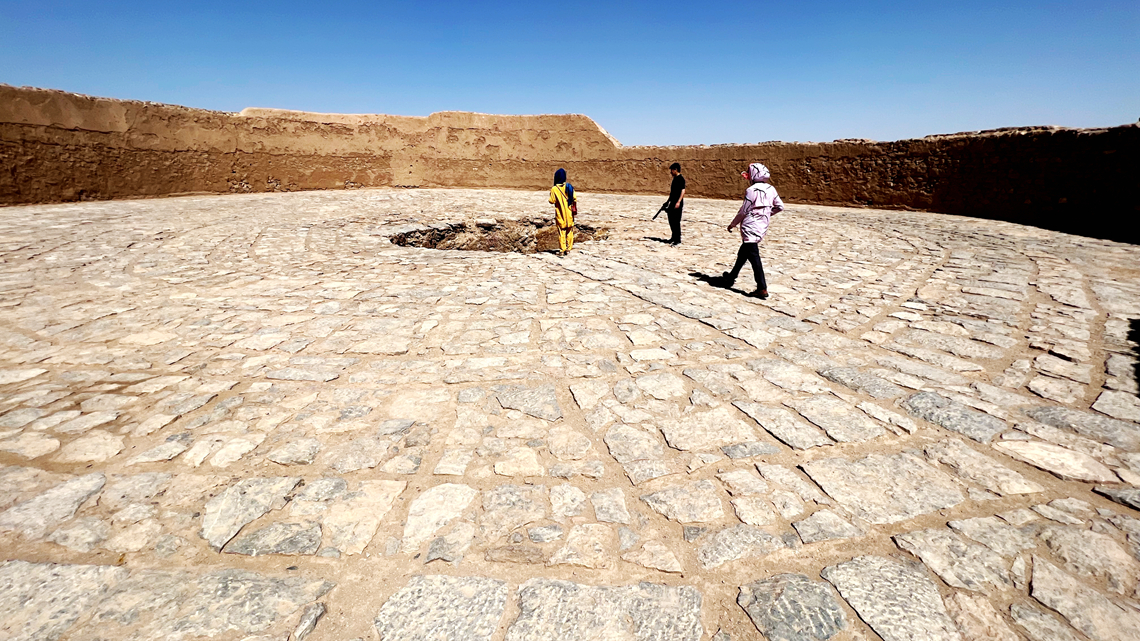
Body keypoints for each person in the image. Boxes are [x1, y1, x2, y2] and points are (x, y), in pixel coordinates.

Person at [720, 162, 783, 299]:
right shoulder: (771, 189)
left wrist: (733, 224)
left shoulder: (751, 190)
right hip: (762, 225)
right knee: (744, 252)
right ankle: (732, 276)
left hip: (750, 226)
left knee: (754, 256)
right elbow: (780, 206)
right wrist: (766, 214)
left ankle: (762, 287)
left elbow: (744, 210)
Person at [549, 168, 577, 255]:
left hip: (560, 215)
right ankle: (569, 248)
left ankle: (562, 249)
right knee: (570, 231)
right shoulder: (569, 187)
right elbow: (574, 198)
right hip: (569, 214)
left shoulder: (554, 189)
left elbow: (552, 201)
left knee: (562, 232)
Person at [665, 162, 686, 245]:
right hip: (672, 202)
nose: (671, 172)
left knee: (676, 221)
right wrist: (667, 201)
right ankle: (673, 237)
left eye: (672, 170)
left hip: (677, 203)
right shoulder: (674, 179)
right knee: (671, 220)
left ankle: (677, 239)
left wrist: (678, 202)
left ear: (675, 170)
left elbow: (683, 191)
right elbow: (672, 192)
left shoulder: (681, 179)